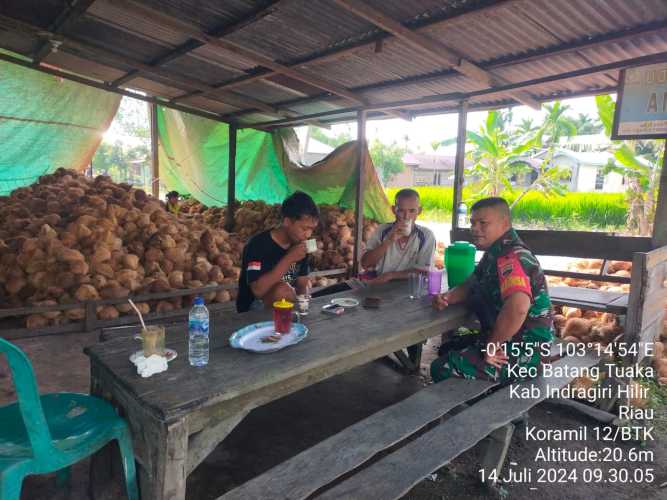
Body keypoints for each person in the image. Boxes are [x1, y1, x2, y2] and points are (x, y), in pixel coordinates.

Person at [430, 197, 553, 383]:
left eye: (483, 223)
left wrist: (492, 346)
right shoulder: (496, 252)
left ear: (504, 223)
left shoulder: (512, 258)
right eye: (472, 222)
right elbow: (472, 282)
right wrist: (448, 297)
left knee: (442, 367)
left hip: (526, 349)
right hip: (508, 339)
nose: (474, 228)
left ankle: (485, 408)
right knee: (448, 348)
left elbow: (517, 308)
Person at [236, 191, 319, 313]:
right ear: (287, 222)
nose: (308, 234)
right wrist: (289, 258)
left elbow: (301, 284)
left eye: (311, 229)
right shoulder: (257, 245)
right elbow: (258, 291)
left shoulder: (300, 244)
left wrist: (303, 303)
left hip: (284, 304)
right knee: (283, 291)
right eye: (304, 228)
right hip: (253, 308)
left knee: (299, 291)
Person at [361, 189, 436, 284]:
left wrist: (390, 276)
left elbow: (424, 271)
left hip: (411, 287)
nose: (406, 216)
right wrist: (389, 240)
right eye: (401, 210)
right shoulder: (382, 230)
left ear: (419, 211)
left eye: (412, 211)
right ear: (394, 210)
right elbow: (366, 264)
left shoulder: (426, 236)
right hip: (381, 286)